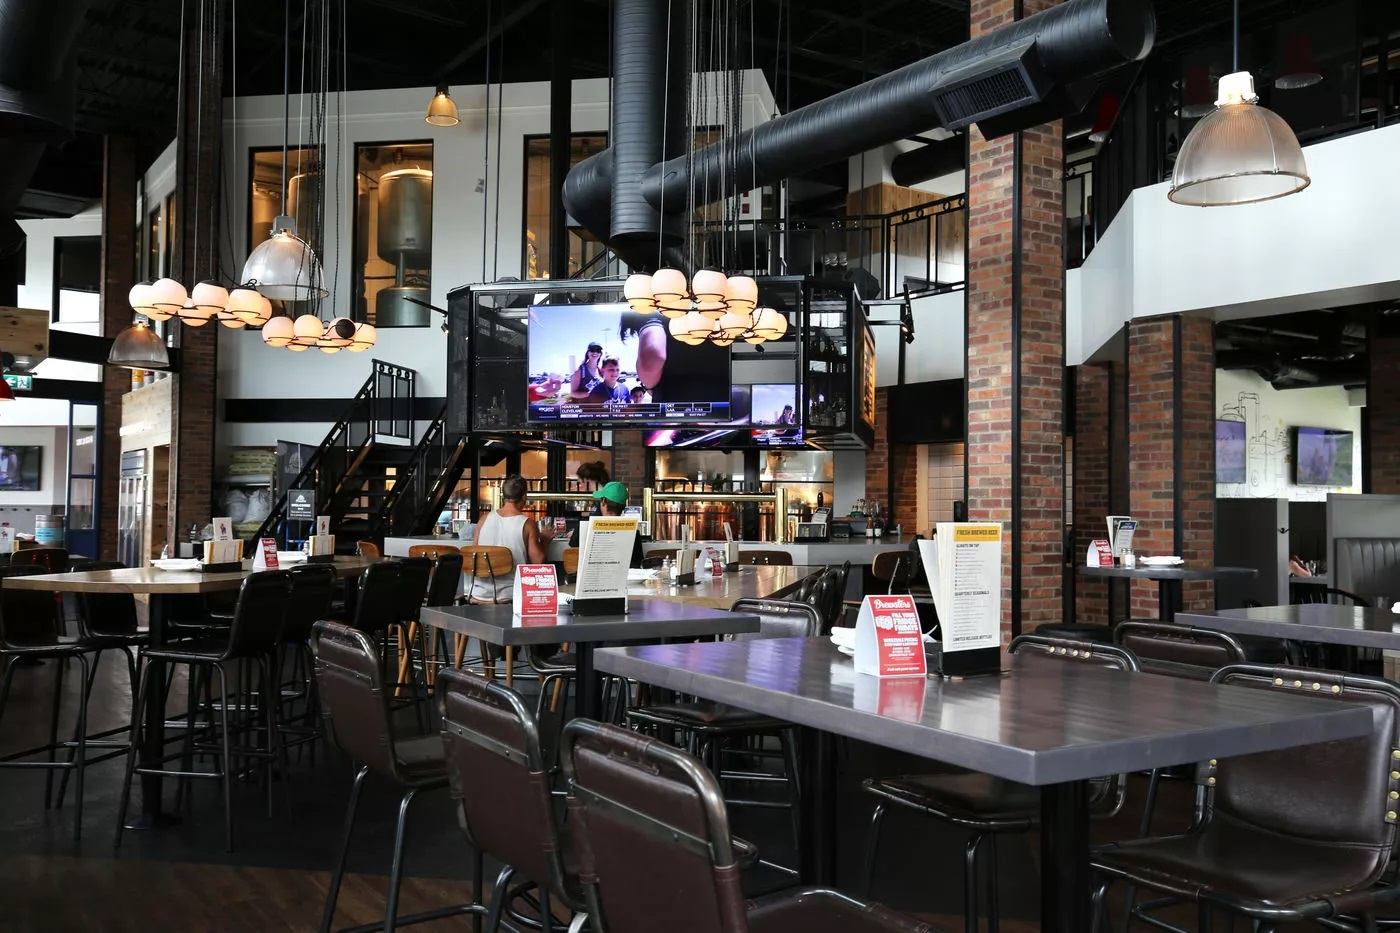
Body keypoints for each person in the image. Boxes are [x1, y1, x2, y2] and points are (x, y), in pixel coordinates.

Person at [470, 474, 555, 602]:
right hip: (511, 594)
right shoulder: (527, 523)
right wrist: (544, 540)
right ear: (524, 496)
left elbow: (473, 554)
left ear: (503, 495)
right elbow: (538, 563)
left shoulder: (484, 519)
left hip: (478, 593)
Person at [569, 481, 644, 569]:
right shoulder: (633, 533)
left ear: (603, 502)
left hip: (589, 579)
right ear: (623, 506)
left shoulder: (585, 526)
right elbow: (637, 564)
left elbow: (572, 548)